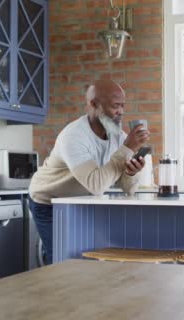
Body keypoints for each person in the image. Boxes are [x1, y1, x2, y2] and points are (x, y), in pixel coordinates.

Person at [28, 79, 150, 264]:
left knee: (85, 258)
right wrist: (127, 149)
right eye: (115, 106)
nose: (121, 112)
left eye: (123, 106)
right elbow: (97, 185)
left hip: (82, 201)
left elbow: (128, 189)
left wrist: (131, 173)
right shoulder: (74, 136)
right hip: (49, 202)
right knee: (62, 260)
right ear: (94, 105)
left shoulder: (118, 137)